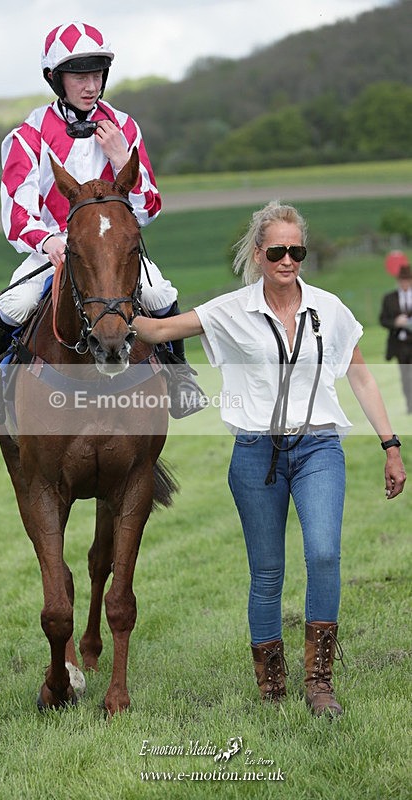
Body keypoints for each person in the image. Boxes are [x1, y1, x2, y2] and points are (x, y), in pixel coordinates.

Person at [132, 200, 406, 716]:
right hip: (255, 452)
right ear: (259, 254)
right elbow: (158, 330)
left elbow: (362, 376)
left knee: (324, 554)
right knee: (267, 571)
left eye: (296, 251)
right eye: (277, 251)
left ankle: (320, 683)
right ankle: (273, 687)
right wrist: (113, 307)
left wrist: (390, 444)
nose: (288, 260)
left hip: (320, 446)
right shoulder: (229, 311)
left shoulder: (330, 309)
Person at [0, 21, 203, 424]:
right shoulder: (28, 135)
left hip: (112, 249)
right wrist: (48, 242)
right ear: (55, 79)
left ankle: (182, 379)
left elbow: (149, 207)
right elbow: (16, 214)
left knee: (160, 293)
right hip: (54, 247)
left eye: (96, 74)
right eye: (79, 75)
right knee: (17, 301)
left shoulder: (126, 127)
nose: (90, 85)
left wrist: (119, 157)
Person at [379, 262, 412, 414]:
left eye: (407, 280)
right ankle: (409, 405)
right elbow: (383, 320)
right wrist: (396, 322)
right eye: (402, 280)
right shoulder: (389, 298)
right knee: (406, 376)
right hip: (399, 345)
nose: (404, 283)